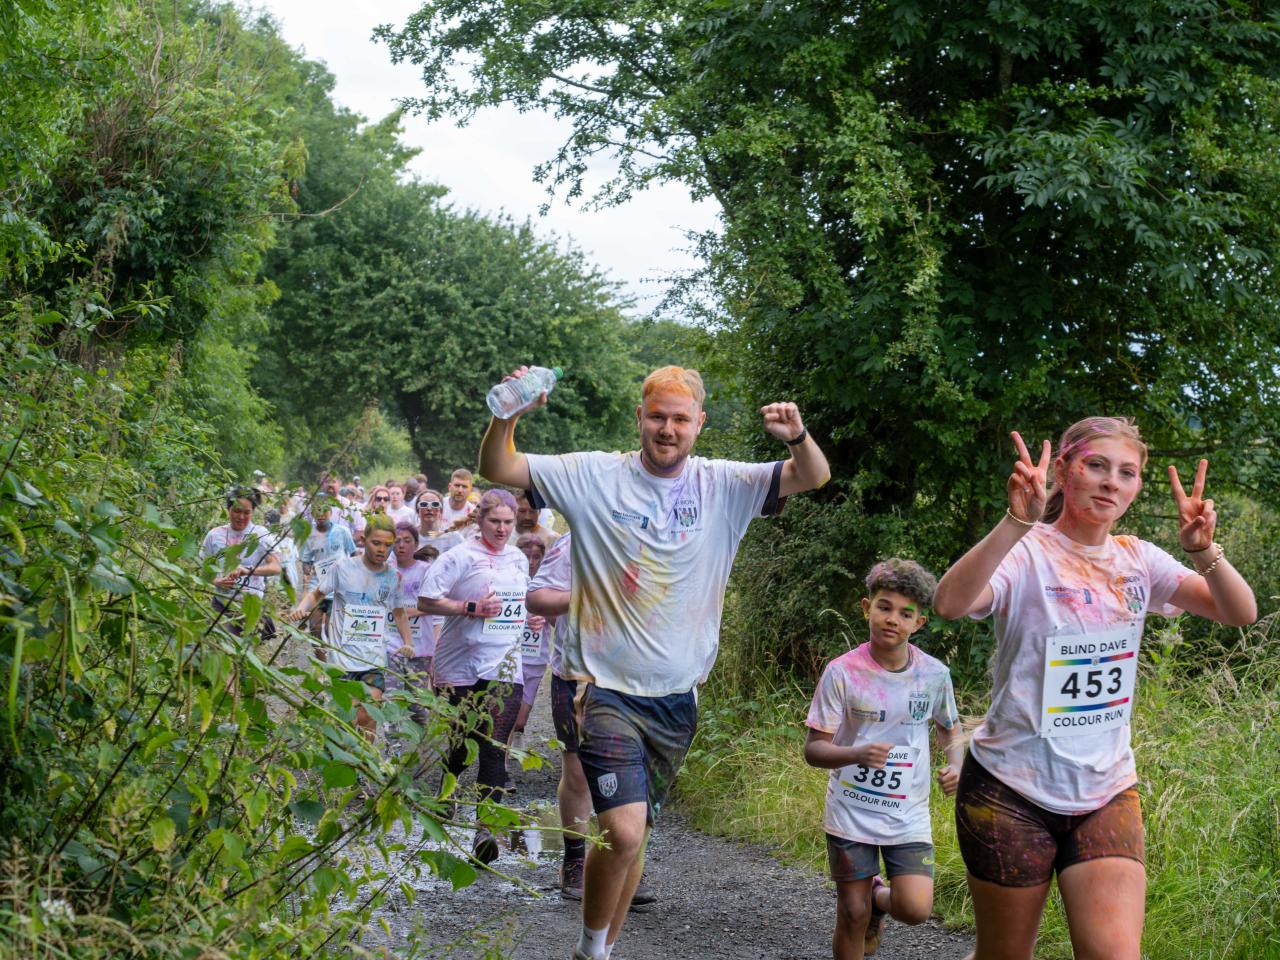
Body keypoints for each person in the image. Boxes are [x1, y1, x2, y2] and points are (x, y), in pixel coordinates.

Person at [479, 364, 830, 960]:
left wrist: (797, 437)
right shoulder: (593, 474)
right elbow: (499, 467)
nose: (667, 429)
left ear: (700, 424)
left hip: (676, 695)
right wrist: (506, 415)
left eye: (680, 419)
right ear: (639, 417)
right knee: (621, 828)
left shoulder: (725, 483)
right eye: (658, 417)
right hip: (603, 688)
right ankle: (591, 950)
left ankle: (602, 951)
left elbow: (813, 476)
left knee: (634, 839)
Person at [932, 419, 1256, 960]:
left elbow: (1238, 612)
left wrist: (1204, 551)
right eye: (1096, 465)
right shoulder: (1026, 550)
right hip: (1011, 787)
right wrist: (1015, 521)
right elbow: (948, 603)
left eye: (1126, 473)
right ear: (1063, 471)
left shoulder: (1139, 559)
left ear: (1135, 488)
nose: (1111, 482)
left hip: (1106, 789)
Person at [804, 559, 962, 960]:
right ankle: (865, 905)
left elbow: (949, 727)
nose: (893, 619)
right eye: (884, 607)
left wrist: (955, 762)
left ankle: (880, 899)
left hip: (907, 812)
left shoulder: (934, 675)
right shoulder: (841, 673)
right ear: (866, 607)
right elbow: (814, 749)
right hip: (850, 811)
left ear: (919, 623)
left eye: (905, 614)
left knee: (915, 909)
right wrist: (856, 753)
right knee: (852, 913)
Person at [417, 489, 531, 864]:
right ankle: (447, 792)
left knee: (494, 745)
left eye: (508, 523)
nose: (501, 529)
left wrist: (531, 615)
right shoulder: (459, 557)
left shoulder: (517, 557)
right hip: (461, 664)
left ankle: (486, 829)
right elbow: (426, 601)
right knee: (463, 740)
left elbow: (516, 603)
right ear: (479, 520)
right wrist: (471, 608)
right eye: (495, 522)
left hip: (504, 664)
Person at [287, 513, 414, 740]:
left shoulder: (394, 577)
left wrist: (408, 642)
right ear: (364, 540)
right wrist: (301, 608)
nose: (382, 550)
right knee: (348, 717)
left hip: (372, 659)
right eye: (376, 543)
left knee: (368, 715)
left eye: (388, 545)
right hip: (342, 659)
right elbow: (317, 593)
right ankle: (344, 758)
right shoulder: (343, 567)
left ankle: (364, 766)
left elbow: (399, 612)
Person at [201, 486, 282, 636]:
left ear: (253, 512)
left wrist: (248, 570)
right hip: (222, 606)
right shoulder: (214, 535)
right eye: (237, 511)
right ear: (228, 509)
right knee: (221, 647)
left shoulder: (260, 535)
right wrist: (217, 581)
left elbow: (276, 567)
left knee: (244, 654)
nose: (241, 517)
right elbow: (204, 570)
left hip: (250, 607)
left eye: (247, 513)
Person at [386, 522, 436, 724]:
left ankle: (420, 738)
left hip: (419, 647)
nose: (401, 546)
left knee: (416, 703)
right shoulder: (384, 570)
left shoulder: (427, 571)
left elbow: (436, 605)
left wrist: (408, 613)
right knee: (392, 699)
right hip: (390, 645)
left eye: (407, 541)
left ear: (416, 545)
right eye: (396, 541)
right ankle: (393, 751)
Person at [509, 532, 551, 754]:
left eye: (537, 557)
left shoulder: (550, 584)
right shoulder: (508, 580)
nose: (532, 563)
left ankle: (519, 731)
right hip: (509, 657)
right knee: (506, 711)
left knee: (521, 717)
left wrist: (545, 614)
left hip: (535, 657)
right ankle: (501, 762)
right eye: (527, 557)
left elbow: (558, 621)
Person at [299, 497, 358, 647]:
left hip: (338, 587)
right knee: (315, 630)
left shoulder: (342, 531)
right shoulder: (308, 535)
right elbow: (306, 562)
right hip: (317, 587)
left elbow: (354, 555)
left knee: (333, 631)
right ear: (312, 513)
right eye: (317, 511)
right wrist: (309, 570)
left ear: (331, 512)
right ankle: (321, 667)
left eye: (324, 510)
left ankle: (335, 665)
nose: (321, 514)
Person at [416, 489, 464, 556]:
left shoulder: (453, 537)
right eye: (424, 504)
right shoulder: (410, 537)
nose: (429, 508)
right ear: (418, 511)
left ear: (440, 511)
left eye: (435, 504)